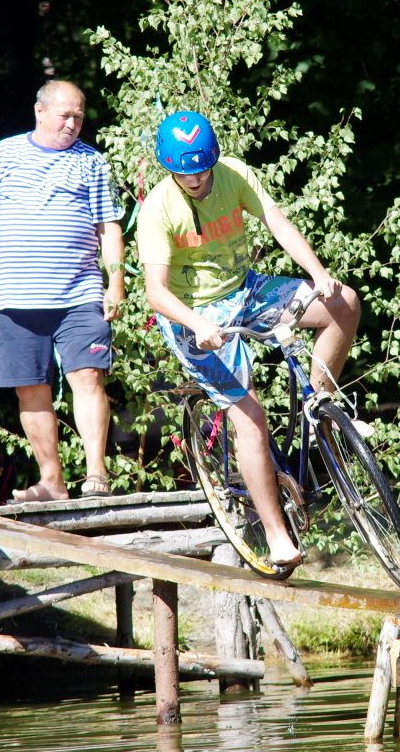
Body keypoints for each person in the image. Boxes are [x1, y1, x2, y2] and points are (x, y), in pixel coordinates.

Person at [137, 111, 362, 572]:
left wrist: (319, 275)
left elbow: (280, 225)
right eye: (185, 173)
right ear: (168, 167)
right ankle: (277, 537)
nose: (196, 179)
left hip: (246, 290)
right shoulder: (157, 209)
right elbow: (155, 293)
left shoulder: (235, 174)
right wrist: (197, 323)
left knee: (344, 304)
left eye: (203, 169)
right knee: (252, 419)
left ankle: (321, 408)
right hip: (192, 316)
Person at [0, 80, 124, 502]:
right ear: (40, 111)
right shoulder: (4, 154)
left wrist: (116, 282)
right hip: (16, 297)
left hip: (80, 293)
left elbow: (108, 227)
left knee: (88, 376)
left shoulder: (92, 162)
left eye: (78, 118)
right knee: (30, 388)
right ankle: (52, 482)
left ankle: (96, 475)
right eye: (64, 115)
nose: (72, 124)